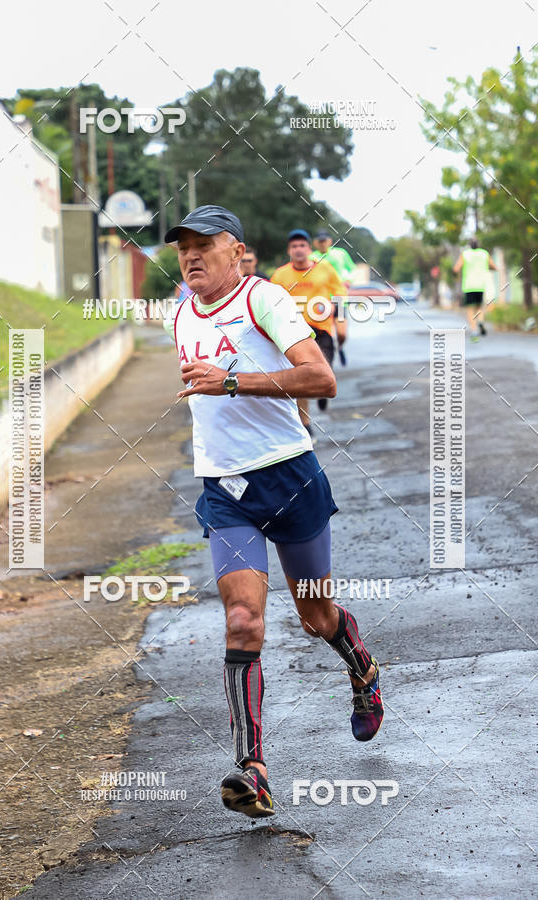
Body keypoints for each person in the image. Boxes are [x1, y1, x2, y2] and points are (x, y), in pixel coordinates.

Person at [163, 205, 383, 819]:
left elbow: (321, 379)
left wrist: (231, 382)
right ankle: (251, 768)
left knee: (315, 616)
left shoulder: (267, 302)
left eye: (204, 244)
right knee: (242, 620)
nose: (191, 255)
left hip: (290, 477)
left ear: (237, 250)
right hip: (225, 491)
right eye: (183, 246)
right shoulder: (178, 314)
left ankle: (360, 666)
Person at [270, 230, 345, 430]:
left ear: (309, 249)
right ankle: (306, 423)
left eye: (302, 245)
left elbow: (340, 292)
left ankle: (322, 391)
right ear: (289, 251)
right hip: (294, 333)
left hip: (321, 330)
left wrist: (333, 307)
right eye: (294, 246)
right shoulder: (280, 275)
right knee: (302, 377)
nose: (298, 250)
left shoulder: (325, 269)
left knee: (324, 371)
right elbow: (269, 302)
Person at [310, 231, 356, 365]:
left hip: (339, 299)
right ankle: (322, 360)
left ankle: (339, 347)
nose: (322, 243)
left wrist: (348, 280)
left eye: (325, 240)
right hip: (321, 301)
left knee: (342, 333)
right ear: (315, 242)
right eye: (320, 241)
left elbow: (352, 268)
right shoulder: (312, 257)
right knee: (323, 334)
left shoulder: (340, 253)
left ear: (330, 241)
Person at [453, 238, 497, 340]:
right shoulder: (484, 254)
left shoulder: (465, 254)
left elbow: (456, 269)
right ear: (479, 245)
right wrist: (486, 267)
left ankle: (474, 331)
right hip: (480, 285)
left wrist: (456, 276)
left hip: (469, 286)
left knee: (470, 309)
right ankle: (480, 322)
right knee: (479, 307)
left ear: (469, 245)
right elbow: (494, 267)